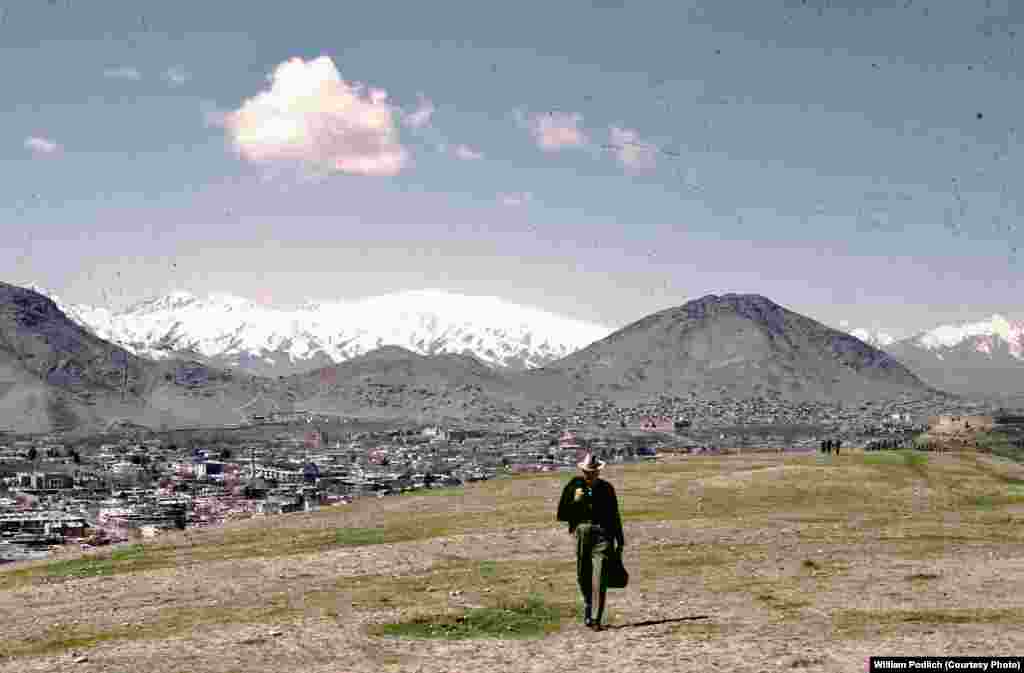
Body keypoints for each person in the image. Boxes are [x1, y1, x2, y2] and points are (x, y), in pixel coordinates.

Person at [556, 452, 625, 631]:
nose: (590, 474)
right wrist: (575, 501)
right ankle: (588, 605)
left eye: (592, 471)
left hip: (603, 534)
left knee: (599, 576)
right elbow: (562, 514)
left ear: (598, 472)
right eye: (587, 471)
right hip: (582, 532)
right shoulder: (573, 486)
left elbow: (614, 515)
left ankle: (595, 618)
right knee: (582, 574)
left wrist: (620, 540)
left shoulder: (607, 488)